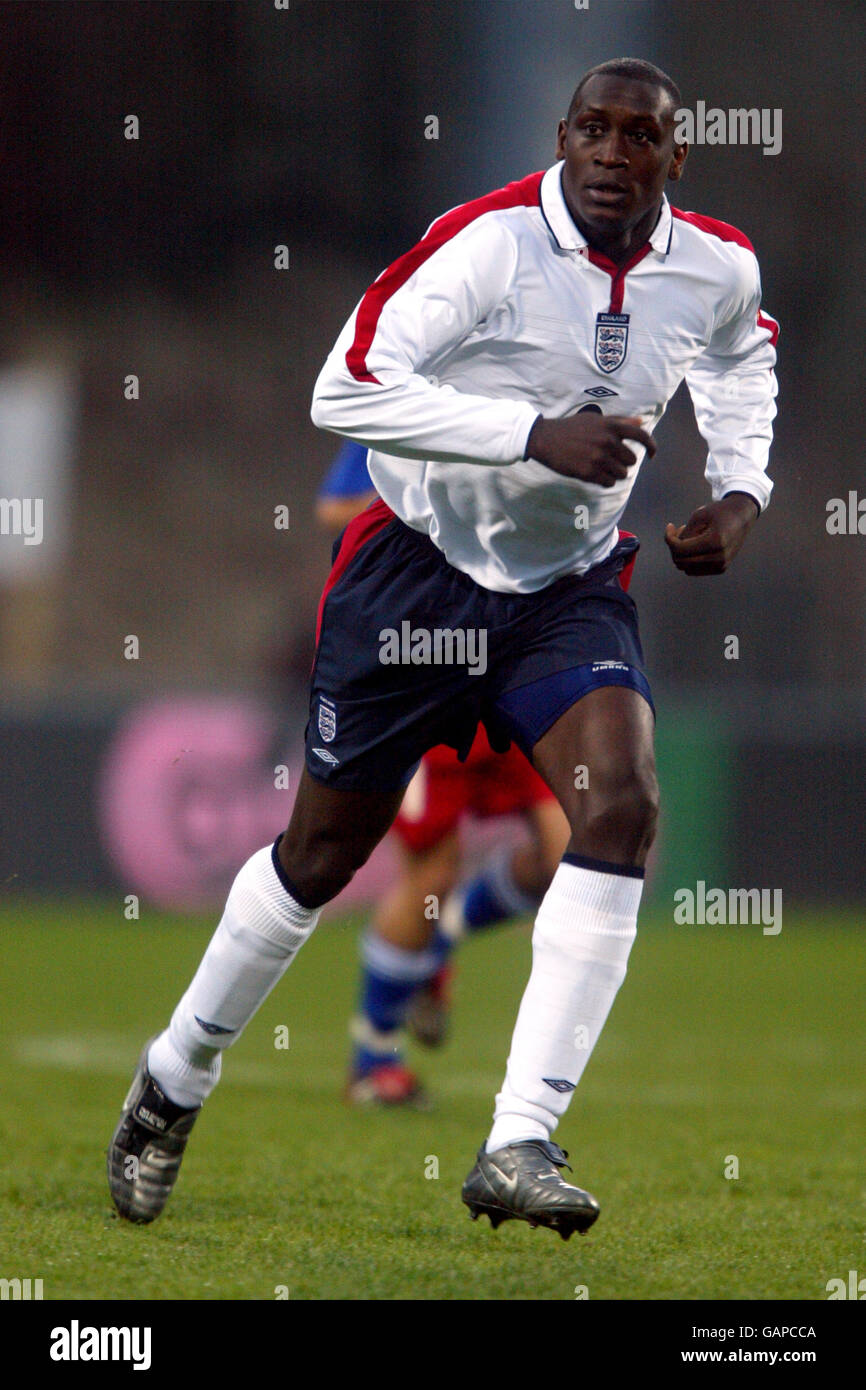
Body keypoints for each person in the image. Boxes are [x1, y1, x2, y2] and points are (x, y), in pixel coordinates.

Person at [108, 57, 778, 1240]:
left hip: (560, 595)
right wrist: (529, 435)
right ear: (561, 136)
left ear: (677, 155)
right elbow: (345, 389)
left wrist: (738, 491)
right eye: (594, 130)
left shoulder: (715, 264)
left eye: (642, 137)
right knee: (316, 860)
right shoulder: (484, 245)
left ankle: (518, 1137)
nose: (614, 154)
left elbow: (741, 354)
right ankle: (175, 1077)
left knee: (616, 808)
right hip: (412, 573)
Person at [315, 440, 571, 1107]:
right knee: (431, 870)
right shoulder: (412, 404)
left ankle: (442, 939)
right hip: (420, 669)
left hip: (511, 660)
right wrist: (442, 507)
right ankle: (372, 1062)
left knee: (569, 856)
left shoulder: (546, 399)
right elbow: (335, 509)